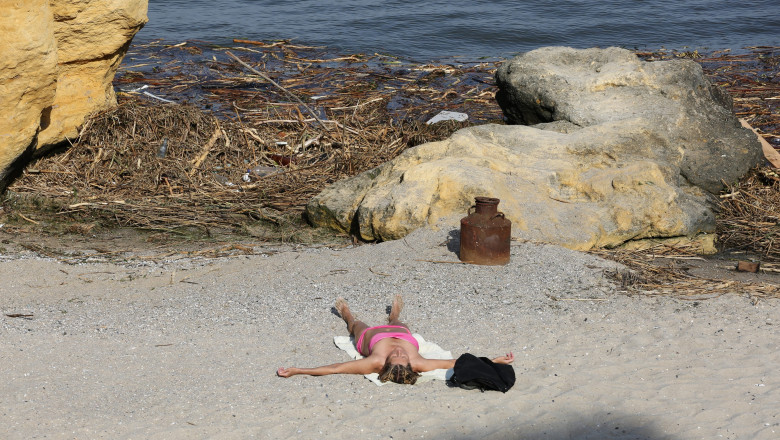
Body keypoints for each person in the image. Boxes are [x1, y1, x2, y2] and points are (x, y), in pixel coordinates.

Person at [276, 295, 514, 384]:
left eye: (396, 357)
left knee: (355, 326)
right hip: (401, 333)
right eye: (403, 358)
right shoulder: (419, 362)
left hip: (371, 337)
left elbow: (336, 368)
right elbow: (457, 362)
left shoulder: (374, 361)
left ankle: (347, 314)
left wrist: (298, 370)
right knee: (401, 325)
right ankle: (394, 316)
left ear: (385, 364)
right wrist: (493, 361)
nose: (400, 353)